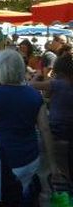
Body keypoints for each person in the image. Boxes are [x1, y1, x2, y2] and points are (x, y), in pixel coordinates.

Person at [0, 49, 60, 205]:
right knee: (22, 193)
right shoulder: (34, 95)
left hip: (2, 159)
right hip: (30, 158)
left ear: (1, 70)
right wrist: (53, 164)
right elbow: (45, 130)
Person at [30, 46, 73, 181]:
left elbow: (32, 85)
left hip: (57, 132)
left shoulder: (57, 84)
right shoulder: (64, 84)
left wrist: (37, 76)